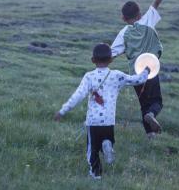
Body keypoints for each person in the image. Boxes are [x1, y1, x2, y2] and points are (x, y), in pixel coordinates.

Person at [54, 43, 150, 180]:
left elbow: (78, 95)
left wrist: (63, 111)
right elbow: (137, 80)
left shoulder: (89, 77)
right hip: (108, 120)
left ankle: (96, 174)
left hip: (93, 122)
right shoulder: (117, 75)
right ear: (111, 60)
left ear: (93, 60)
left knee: (92, 150)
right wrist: (146, 71)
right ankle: (108, 145)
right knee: (107, 139)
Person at [111, 0, 174, 138]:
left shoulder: (123, 33)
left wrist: (99, 60)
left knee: (143, 104)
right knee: (156, 102)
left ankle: (150, 135)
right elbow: (157, 1)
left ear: (123, 18)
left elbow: (111, 54)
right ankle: (152, 115)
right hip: (150, 71)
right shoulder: (147, 21)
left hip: (135, 75)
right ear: (139, 14)